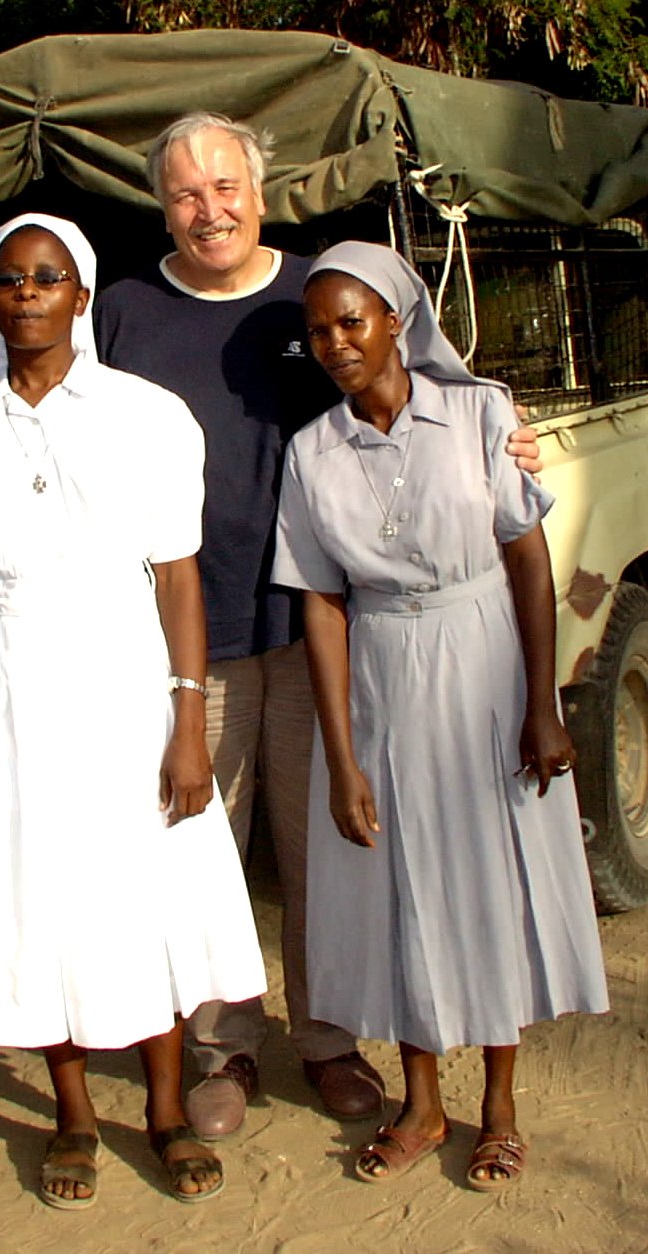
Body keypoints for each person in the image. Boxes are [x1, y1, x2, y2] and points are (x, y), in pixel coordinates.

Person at [94, 112, 544, 1137]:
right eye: (183, 194)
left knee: (325, 852)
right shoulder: (121, 312)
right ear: (160, 207)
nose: (207, 210)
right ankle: (224, 1047)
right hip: (179, 637)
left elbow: (422, 384)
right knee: (198, 853)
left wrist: (503, 432)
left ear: (261, 190)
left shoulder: (318, 295)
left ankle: (329, 1039)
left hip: (319, 623)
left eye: (224, 187)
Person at [0, 213, 266, 1210]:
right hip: (10, 683)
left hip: (125, 676)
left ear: (82, 294)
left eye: (49, 276)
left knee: (135, 892)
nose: (26, 292)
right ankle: (71, 1113)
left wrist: (188, 716)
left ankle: (161, 1110)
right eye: (9, 278)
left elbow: (177, 579)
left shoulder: (146, 413)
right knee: (40, 897)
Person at [271, 241, 609, 1189]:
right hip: (382, 674)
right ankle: (421, 1104)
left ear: (396, 320)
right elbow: (321, 603)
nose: (335, 342)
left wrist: (540, 706)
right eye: (318, 329)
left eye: (352, 320)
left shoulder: (479, 414)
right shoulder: (311, 452)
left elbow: (528, 559)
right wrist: (341, 760)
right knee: (403, 885)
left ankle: (498, 1105)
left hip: (486, 659)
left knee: (491, 877)